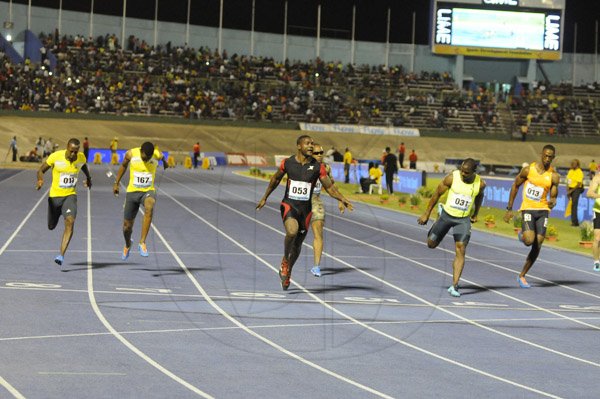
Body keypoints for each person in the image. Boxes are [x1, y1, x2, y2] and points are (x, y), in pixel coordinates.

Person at [256, 135, 353, 291]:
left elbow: (329, 187)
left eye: (312, 144)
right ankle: (285, 262)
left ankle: (288, 272)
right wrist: (264, 197)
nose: (310, 146)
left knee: (298, 245)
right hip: (289, 205)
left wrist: (342, 199)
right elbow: (275, 179)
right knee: (292, 232)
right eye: (307, 143)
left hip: (306, 210)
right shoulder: (287, 163)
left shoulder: (317, 167)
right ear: (299, 146)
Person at [418, 159, 486, 297]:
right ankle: (439, 214)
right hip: (446, 216)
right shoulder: (452, 178)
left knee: (461, 249)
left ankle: (455, 285)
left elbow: (479, 197)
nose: (462, 173)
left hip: (463, 220)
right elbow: (437, 193)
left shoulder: (480, 184)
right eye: (461, 170)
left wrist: (476, 213)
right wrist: (426, 213)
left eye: (466, 172)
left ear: (474, 172)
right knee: (431, 244)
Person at [503, 145, 560, 288]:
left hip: (543, 210)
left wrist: (553, 201)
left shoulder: (554, 176)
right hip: (528, 209)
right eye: (545, 155)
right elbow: (515, 186)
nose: (547, 159)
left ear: (553, 158)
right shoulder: (528, 170)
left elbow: (553, 195)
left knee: (538, 243)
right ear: (541, 155)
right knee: (529, 240)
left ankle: (522, 275)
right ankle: (523, 235)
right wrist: (509, 208)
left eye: (550, 157)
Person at [36, 138, 92, 266]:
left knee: (70, 221)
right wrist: (40, 180)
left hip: (70, 196)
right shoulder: (55, 157)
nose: (73, 154)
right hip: (54, 198)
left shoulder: (81, 157)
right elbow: (40, 170)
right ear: (67, 148)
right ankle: (54, 219)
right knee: (51, 226)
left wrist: (89, 178)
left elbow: (83, 166)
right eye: (71, 151)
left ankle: (61, 255)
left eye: (76, 152)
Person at [113, 142, 168, 260]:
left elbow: (162, 156)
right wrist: (116, 183)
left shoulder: (156, 154)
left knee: (150, 206)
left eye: (149, 157)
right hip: (132, 193)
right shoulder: (131, 154)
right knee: (127, 227)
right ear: (141, 151)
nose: (147, 159)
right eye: (145, 157)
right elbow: (123, 166)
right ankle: (128, 244)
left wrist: (165, 162)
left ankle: (142, 242)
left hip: (147, 191)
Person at [310, 143, 345, 277]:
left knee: (318, 233)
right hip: (300, 202)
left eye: (321, 153)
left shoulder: (326, 168)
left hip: (315, 201)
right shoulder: (301, 166)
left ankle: (316, 266)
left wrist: (340, 200)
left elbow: (331, 185)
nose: (319, 155)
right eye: (316, 153)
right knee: (296, 234)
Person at [585, 171, 600, 271]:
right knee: (597, 238)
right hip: (599, 211)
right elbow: (589, 193)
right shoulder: (598, 178)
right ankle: (596, 262)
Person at [566, 159, 584, 226]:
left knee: (574, 205)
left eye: (574, 163)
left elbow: (579, 184)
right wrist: (567, 190)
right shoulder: (570, 171)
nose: (572, 164)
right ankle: (573, 221)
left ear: (577, 164)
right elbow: (568, 181)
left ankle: (575, 222)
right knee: (571, 205)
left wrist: (571, 191)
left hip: (577, 189)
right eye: (572, 163)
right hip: (570, 189)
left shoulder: (579, 172)